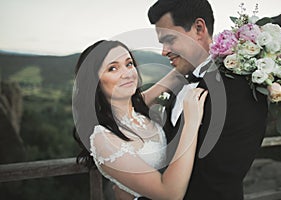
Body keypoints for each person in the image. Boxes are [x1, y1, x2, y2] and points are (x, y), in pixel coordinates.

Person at [114, 0, 269, 199]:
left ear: (198, 28)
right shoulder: (183, 81)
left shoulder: (236, 89)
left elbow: (215, 180)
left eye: (169, 39)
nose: (164, 51)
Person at [72, 40, 208, 199]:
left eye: (129, 64)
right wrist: (191, 124)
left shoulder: (138, 105)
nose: (127, 73)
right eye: (113, 68)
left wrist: (221, 50)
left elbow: (176, 75)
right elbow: (170, 194)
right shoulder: (103, 139)